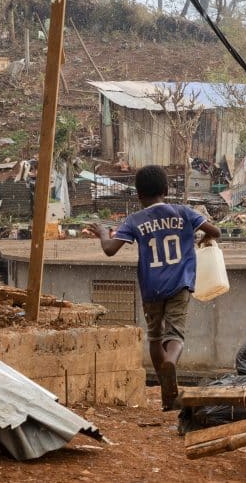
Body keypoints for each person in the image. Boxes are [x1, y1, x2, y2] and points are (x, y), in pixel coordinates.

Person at [88, 165, 221, 411]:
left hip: (151, 288)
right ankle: (171, 362)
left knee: (155, 336)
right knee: (176, 334)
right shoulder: (184, 212)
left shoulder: (134, 220)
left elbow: (109, 250)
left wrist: (103, 232)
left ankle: (167, 393)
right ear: (166, 190)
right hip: (179, 284)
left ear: (138, 194)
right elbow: (215, 231)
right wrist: (203, 239)